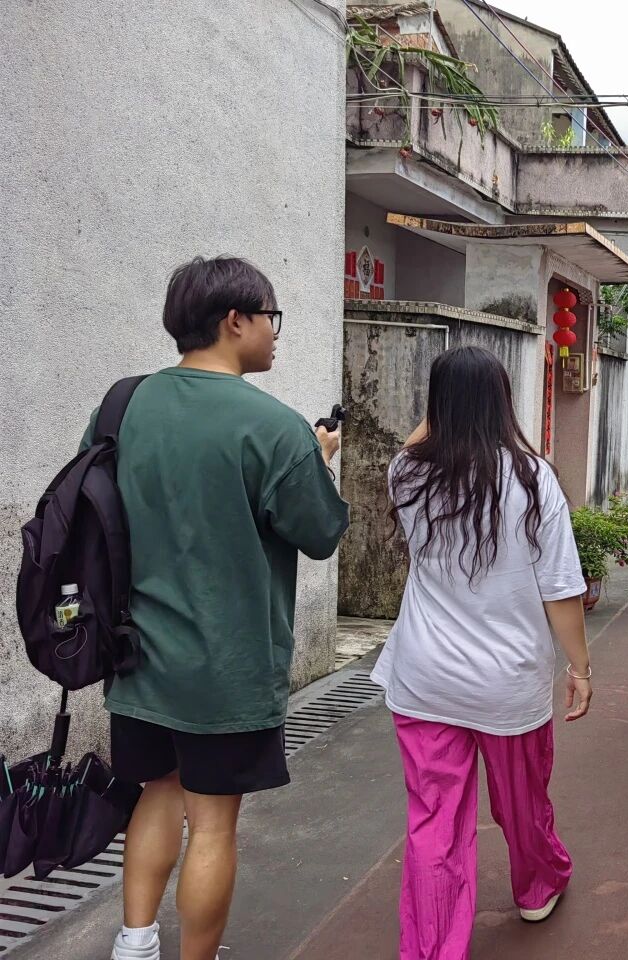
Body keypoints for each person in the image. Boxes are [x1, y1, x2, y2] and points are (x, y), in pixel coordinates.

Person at [101, 256, 350, 960]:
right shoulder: (274, 428)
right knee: (211, 824)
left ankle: (134, 941)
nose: (275, 332)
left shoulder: (124, 405)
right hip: (226, 664)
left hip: (135, 653)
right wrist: (316, 459)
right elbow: (320, 533)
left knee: (156, 791)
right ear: (234, 320)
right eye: (271, 317)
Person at [372, 345, 592, 960]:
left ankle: (433, 948)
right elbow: (561, 589)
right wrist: (580, 668)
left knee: (433, 821)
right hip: (509, 683)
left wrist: (443, 409)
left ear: (436, 405)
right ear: (503, 401)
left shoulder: (407, 473)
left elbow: (417, 440)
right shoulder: (534, 480)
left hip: (425, 679)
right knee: (523, 803)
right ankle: (537, 886)